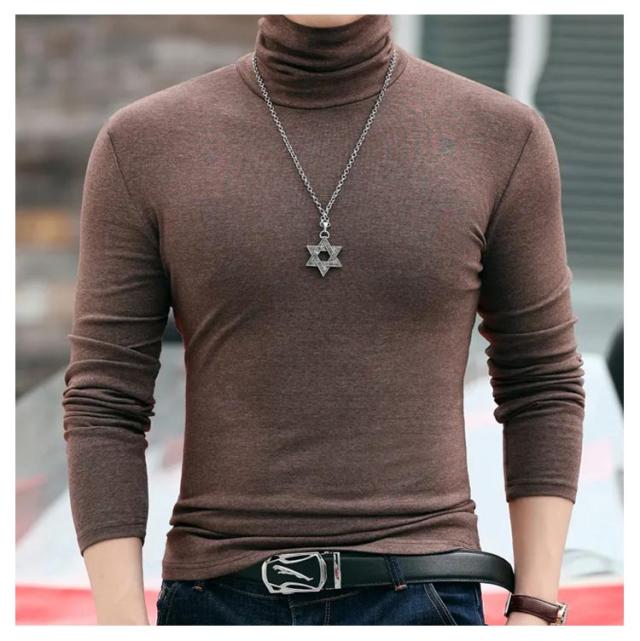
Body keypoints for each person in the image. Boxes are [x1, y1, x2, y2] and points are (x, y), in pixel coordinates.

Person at [61, 14, 586, 625]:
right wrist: (122, 625)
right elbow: (105, 399)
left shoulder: (500, 136)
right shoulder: (144, 143)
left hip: (425, 595)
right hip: (218, 598)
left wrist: (535, 610)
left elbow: (541, 380)